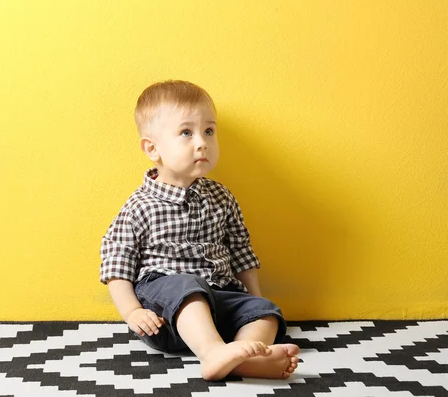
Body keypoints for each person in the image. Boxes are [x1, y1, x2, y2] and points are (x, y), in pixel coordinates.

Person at [99, 80, 299, 381]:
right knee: (187, 287)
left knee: (267, 311)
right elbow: (116, 262)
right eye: (186, 132)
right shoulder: (141, 205)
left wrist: (253, 300)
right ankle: (213, 353)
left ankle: (242, 356)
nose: (202, 142)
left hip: (220, 301)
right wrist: (132, 313)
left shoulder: (221, 197)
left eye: (209, 131)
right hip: (166, 316)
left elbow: (241, 253)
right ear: (152, 148)